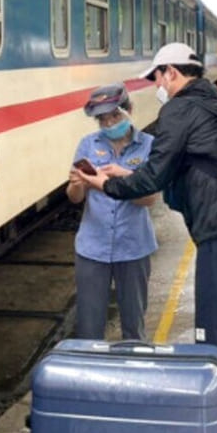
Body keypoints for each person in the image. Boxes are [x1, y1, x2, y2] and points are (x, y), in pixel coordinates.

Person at [78, 43, 217, 433]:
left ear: (170, 73)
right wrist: (127, 172)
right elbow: (169, 167)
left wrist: (106, 183)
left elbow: (153, 178)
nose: (157, 87)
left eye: (157, 78)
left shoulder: (180, 111)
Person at [67, 83, 158, 341]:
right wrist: (76, 186)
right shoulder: (87, 145)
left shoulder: (149, 146)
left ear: (129, 110)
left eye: (114, 116)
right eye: (102, 119)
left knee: (133, 326)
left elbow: (149, 199)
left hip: (133, 247)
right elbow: (74, 198)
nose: (109, 123)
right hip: (92, 249)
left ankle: (132, 371)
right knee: (89, 326)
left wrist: (123, 180)